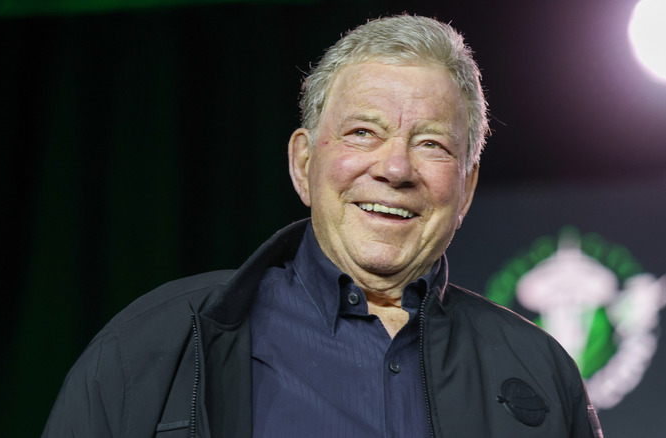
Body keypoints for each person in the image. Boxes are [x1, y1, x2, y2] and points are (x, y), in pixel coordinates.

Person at [43, 14, 603, 438]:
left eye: (431, 144)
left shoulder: (540, 373)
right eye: (363, 132)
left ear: (467, 188)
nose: (394, 167)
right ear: (304, 163)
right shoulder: (152, 346)